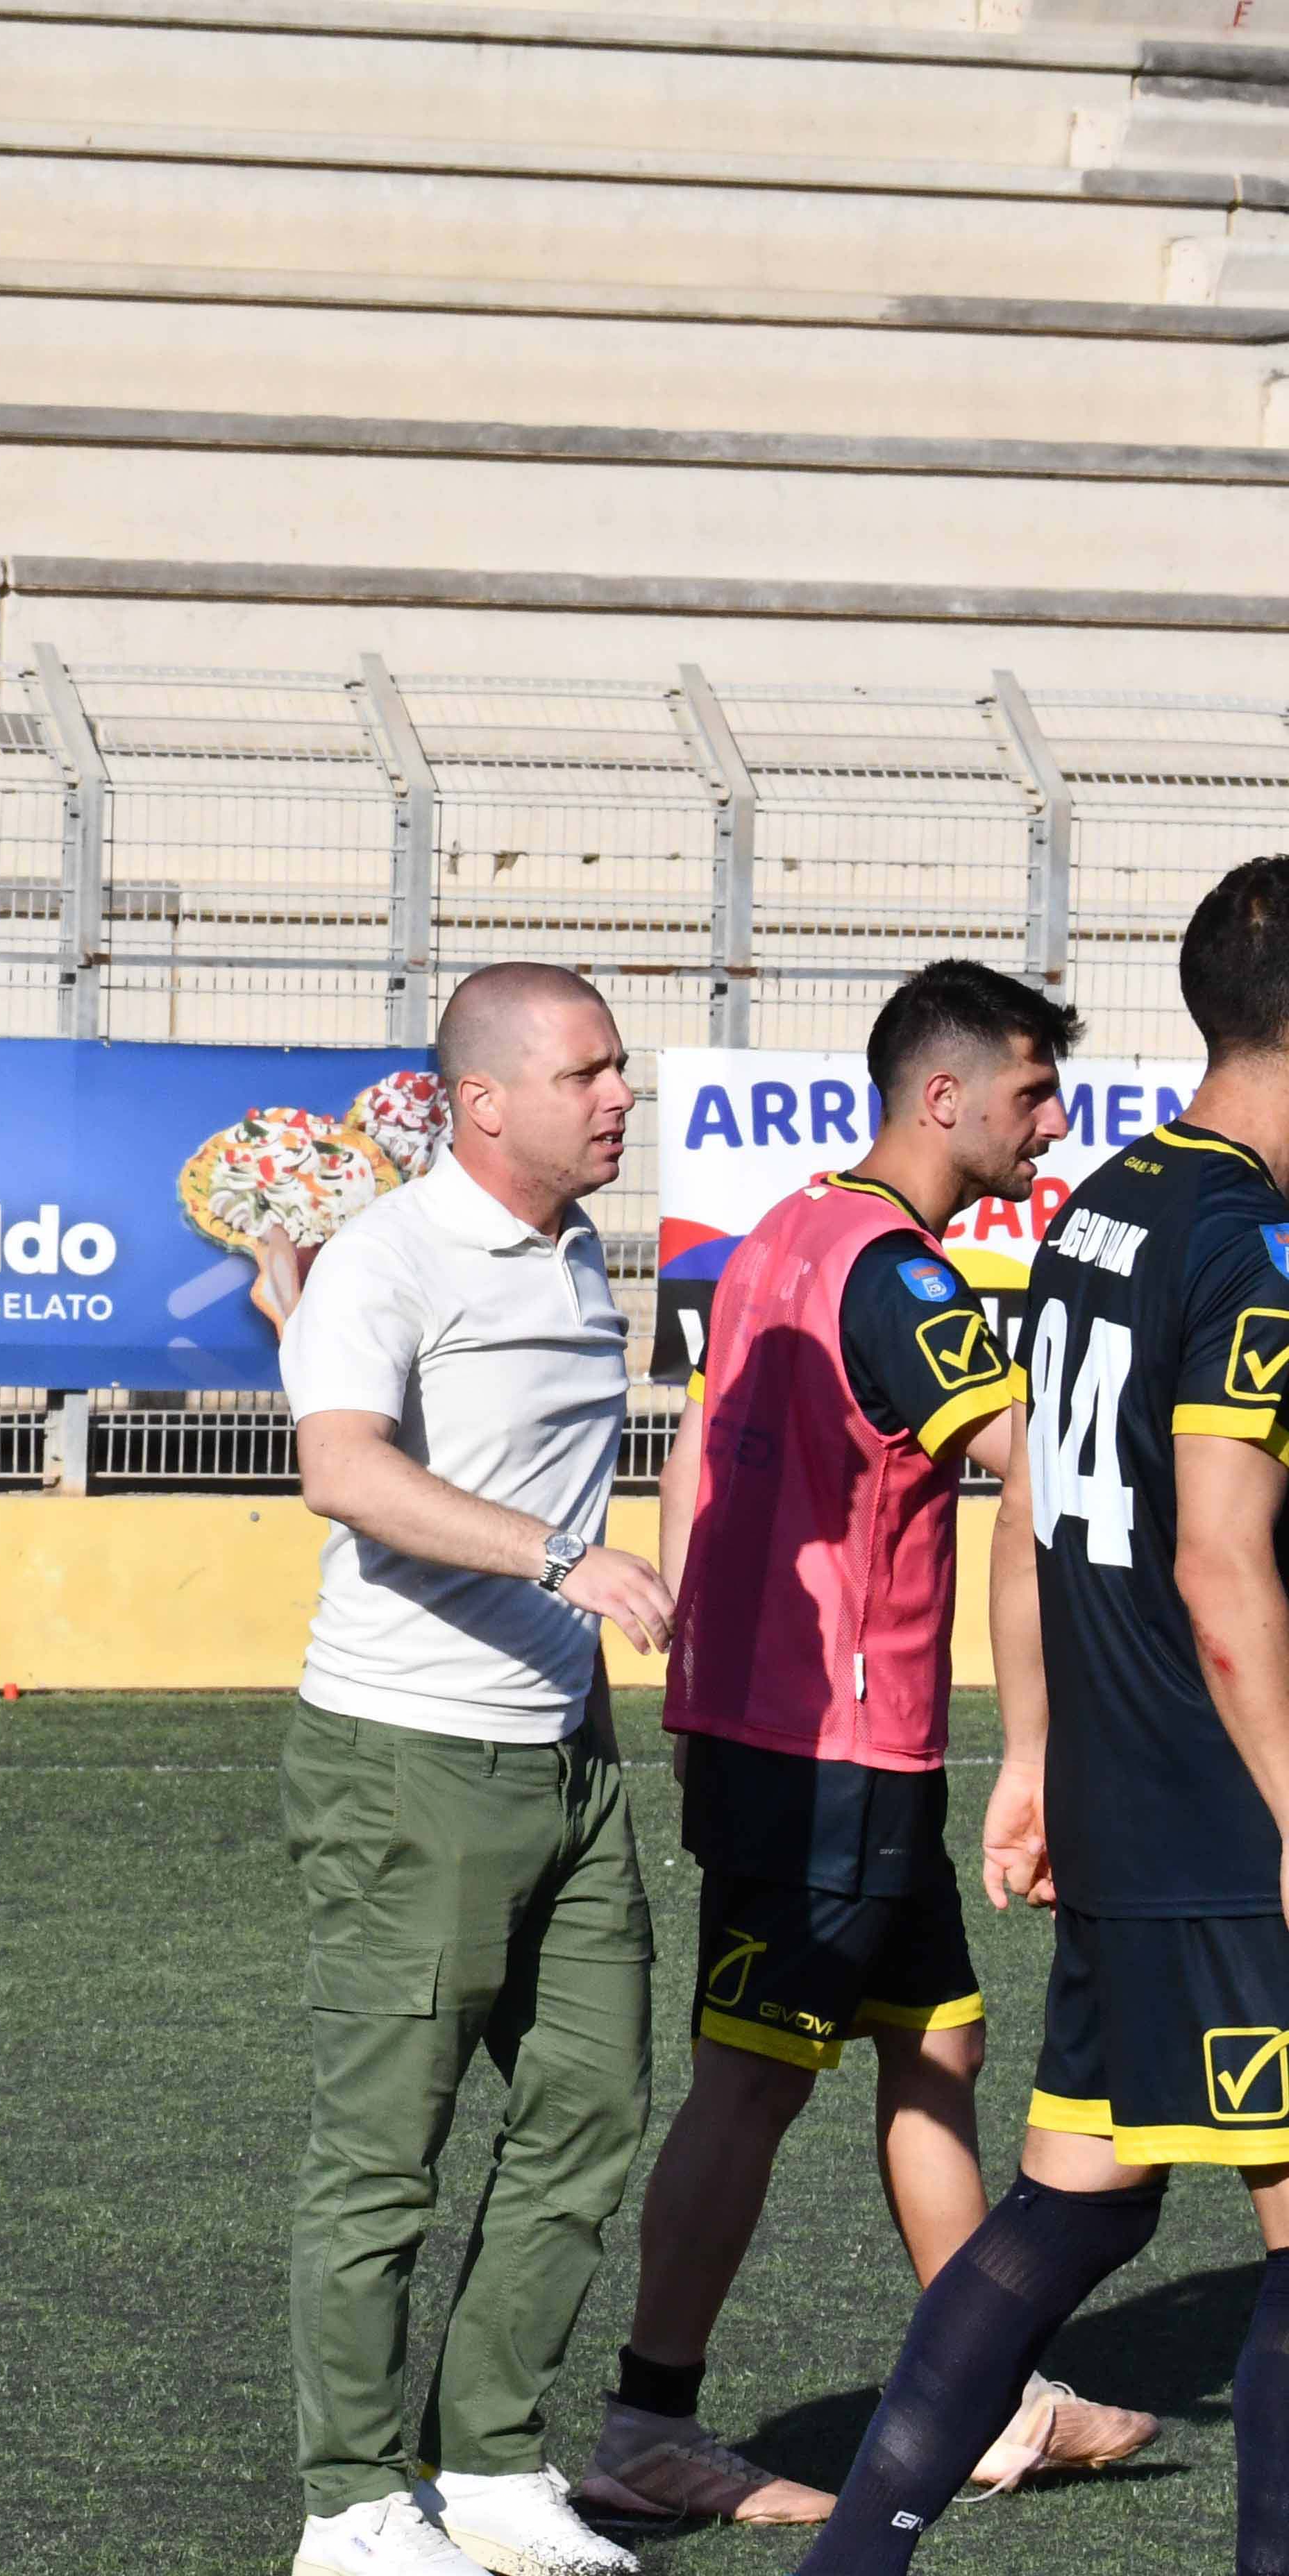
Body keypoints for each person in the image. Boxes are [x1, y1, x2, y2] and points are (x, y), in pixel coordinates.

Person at [596, 960, 1152, 2526]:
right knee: (750, 2083)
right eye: (1035, 1092)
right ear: (946, 1094)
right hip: (828, 1747)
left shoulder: (783, 1231)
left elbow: (698, 1456)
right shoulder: (899, 1276)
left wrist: (695, 1688)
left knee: (939, 2044)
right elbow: (1037, 1470)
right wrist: (1047, 1735)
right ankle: (646, 2425)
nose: (1055, 1123)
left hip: (809, 1735)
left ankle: (989, 2397)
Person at [793, 857, 1289, 2574]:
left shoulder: (1099, 1211)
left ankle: (851, 2561)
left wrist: (1038, 1756)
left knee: (1078, 2205)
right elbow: (1223, 1565)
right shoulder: (1253, 1243)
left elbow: (1029, 1508)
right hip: (1227, 1822)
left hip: (1125, 1804)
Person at [278, 962, 673, 2576]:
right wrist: (562, 1558)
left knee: (592, 2102)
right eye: (588, 1072)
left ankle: (492, 2462)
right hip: (408, 1761)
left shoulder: (576, 1250)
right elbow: (341, 1467)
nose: (621, 1094)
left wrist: (589, 1688)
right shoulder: (390, 1254)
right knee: (389, 2147)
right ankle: (352, 2505)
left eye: (620, 1066)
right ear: (485, 1100)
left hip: (569, 1759)